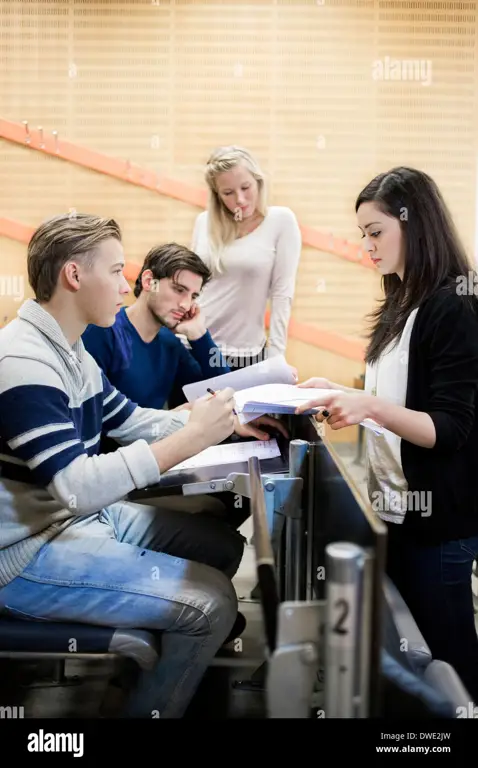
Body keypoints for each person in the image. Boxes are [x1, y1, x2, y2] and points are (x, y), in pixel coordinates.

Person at [0, 212, 280, 718]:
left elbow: (132, 419)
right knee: (213, 602)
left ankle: (141, 670)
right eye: (117, 271)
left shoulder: (71, 349)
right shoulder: (24, 361)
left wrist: (221, 425)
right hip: (26, 552)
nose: (126, 285)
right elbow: (75, 486)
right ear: (74, 275)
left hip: (72, 522)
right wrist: (191, 437)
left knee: (219, 544)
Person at [295, 166, 478, 702]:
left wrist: (368, 405)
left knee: (452, 661)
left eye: (376, 232)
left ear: (414, 224)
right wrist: (338, 391)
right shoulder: (399, 304)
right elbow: (394, 402)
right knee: (415, 652)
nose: (367, 246)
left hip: (438, 519)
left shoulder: (455, 306)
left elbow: (447, 430)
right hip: (396, 510)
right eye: (363, 235)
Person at [82, 242, 231, 414]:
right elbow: (92, 417)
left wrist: (200, 335)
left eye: (193, 296)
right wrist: (168, 418)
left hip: (156, 438)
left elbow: (224, 389)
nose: (186, 304)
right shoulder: (102, 331)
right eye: (179, 289)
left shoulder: (170, 343)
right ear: (149, 281)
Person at [191, 145, 302, 370]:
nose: (240, 199)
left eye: (246, 187)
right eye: (228, 193)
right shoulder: (204, 222)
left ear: (258, 182)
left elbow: (282, 294)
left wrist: (276, 356)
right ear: (217, 195)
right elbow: (192, 287)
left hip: (244, 353)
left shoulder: (281, 221)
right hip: (192, 345)